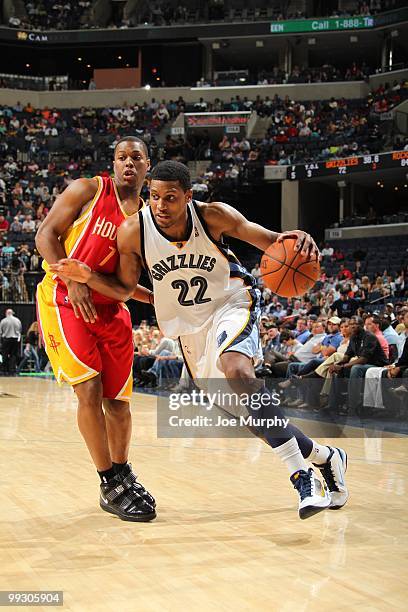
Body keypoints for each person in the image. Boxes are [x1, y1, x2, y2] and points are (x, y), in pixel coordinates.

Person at [51, 160, 349, 521]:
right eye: (154, 196)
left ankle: (302, 478)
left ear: (188, 197)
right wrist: (87, 276)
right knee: (254, 419)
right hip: (190, 329)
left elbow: (274, 243)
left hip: (231, 302)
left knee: (238, 370)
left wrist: (301, 240)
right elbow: (124, 289)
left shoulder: (213, 216)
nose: (160, 205)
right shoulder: (133, 231)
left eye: (170, 198)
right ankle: (326, 457)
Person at [36, 136, 156, 522]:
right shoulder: (88, 190)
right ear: (113, 162)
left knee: (119, 404)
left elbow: (122, 286)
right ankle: (107, 480)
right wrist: (73, 281)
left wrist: (153, 298)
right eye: (121, 157)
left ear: (147, 167)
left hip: (109, 307)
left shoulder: (145, 221)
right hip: (64, 298)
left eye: (136, 158)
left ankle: (122, 472)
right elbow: (45, 236)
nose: (128, 163)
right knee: (88, 389)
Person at [0, 308, 22, 375]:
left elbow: (0, 332)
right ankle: (12, 370)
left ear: (6, 313)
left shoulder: (3, 321)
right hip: (15, 340)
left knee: (5, 355)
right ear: (12, 313)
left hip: (6, 340)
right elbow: (20, 331)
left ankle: (4, 370)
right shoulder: (17, 320)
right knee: (13, 355)